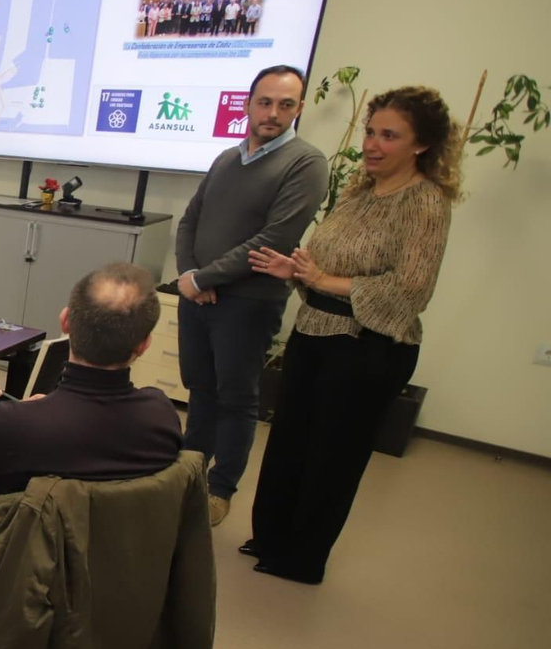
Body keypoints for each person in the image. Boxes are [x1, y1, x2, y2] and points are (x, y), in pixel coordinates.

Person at [244, 87, 458, 584]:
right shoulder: (360, 190)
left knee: (332, 458)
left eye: (389, 136)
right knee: (290, 442)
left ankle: (302, 559)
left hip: (368, 346)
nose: (372, 144)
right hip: (316, 330)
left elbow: (412, 289)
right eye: (370, 131)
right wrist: (297, 271)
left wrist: (322, 281)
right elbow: (328, 271)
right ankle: (272, 537)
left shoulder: (425, 201)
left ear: (421, 145)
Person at [0, 262, 184, 568]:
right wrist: (42, 410)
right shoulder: (162, 414)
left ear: (65, 321)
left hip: (19, 563)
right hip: (109, 563)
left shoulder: (19, 424)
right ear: (144, 344)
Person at [174, 65, 328, 525]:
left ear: (299, 108)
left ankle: (220, 489)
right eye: (265, 102)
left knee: (236, 398)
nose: (273, 113)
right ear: (247, 104)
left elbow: (275, 237)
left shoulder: (306, 163)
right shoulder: (227, 158)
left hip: (247, 302)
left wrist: (204, 280)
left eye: (286, 104)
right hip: (198, 295)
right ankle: (187, 474)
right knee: (200, 389)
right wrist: (188, 275)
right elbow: (189, 222)